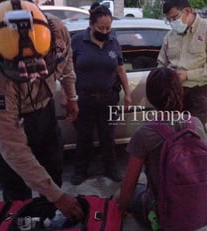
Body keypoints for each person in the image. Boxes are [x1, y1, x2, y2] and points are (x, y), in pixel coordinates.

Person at [0, 0, 83, 221]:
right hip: (6, 121)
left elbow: (66, 63)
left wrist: (71, 95)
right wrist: (58, 197)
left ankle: (49, 219)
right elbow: (13, 148)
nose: (33, 76)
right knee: (16, 188)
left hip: (43, 112)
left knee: (52, 169)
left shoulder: (57, 30)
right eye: (22, 70)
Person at [114, 67, 207, 228]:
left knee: (121, 193)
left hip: (162, 212)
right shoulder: (195, 124)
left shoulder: (146, 133)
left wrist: (119, 211)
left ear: (150, 97)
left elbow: (129, 184)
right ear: (180, 92)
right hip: (197, 207)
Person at [70, 2, 131, 185]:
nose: (105, 31)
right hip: (84, 99)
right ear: (91, 25)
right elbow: (69, 71)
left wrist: (127, 94)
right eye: (100, 27)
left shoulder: (113, 41)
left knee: (108, 137)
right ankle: (81, 170)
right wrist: (68, 95)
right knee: (83, 137)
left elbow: (121, 70)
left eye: (108, 27)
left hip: (108, 99)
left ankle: (110, 168)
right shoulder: (78, 41)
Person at [157, 0, 207, 125]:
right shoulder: (170, 35)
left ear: (187, 11)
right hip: (172, 92)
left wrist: (188, 75)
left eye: (175, 18)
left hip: (197, 94)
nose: (172, 23)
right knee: (171, 135)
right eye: (169, 20)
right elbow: (161, 63)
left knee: (192, 136)